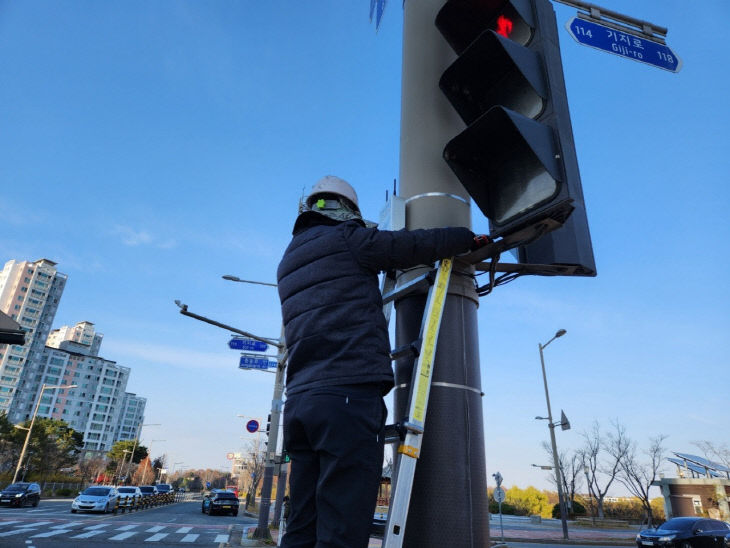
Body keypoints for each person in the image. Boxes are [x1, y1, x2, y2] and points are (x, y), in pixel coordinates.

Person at [277, 175, 487, 548]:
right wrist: (465, 239)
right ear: (348, 211)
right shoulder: (347, 239)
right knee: (341, 528)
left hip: (300, 406)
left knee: (302, 524)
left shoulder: (288, 259)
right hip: (346, 397)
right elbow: (411, 245)